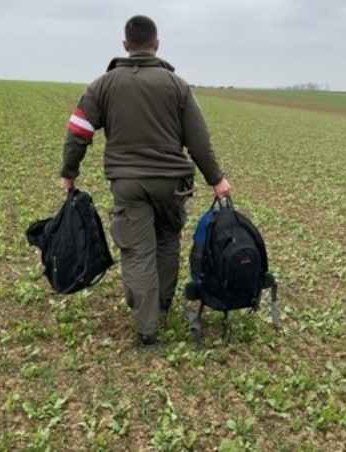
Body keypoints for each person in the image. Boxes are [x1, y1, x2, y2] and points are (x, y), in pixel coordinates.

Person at [59, 15, 231, 348]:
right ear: (156, 45)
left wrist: (69, 173)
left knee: (138, 252)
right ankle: (163, 306)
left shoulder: (101, 85)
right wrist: (217, 179)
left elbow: (78, 133)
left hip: (128, 183)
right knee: (166, 242)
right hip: (172, 183)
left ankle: (147, 329)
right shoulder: (177, 85)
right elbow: (198, 139)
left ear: (126, 45)